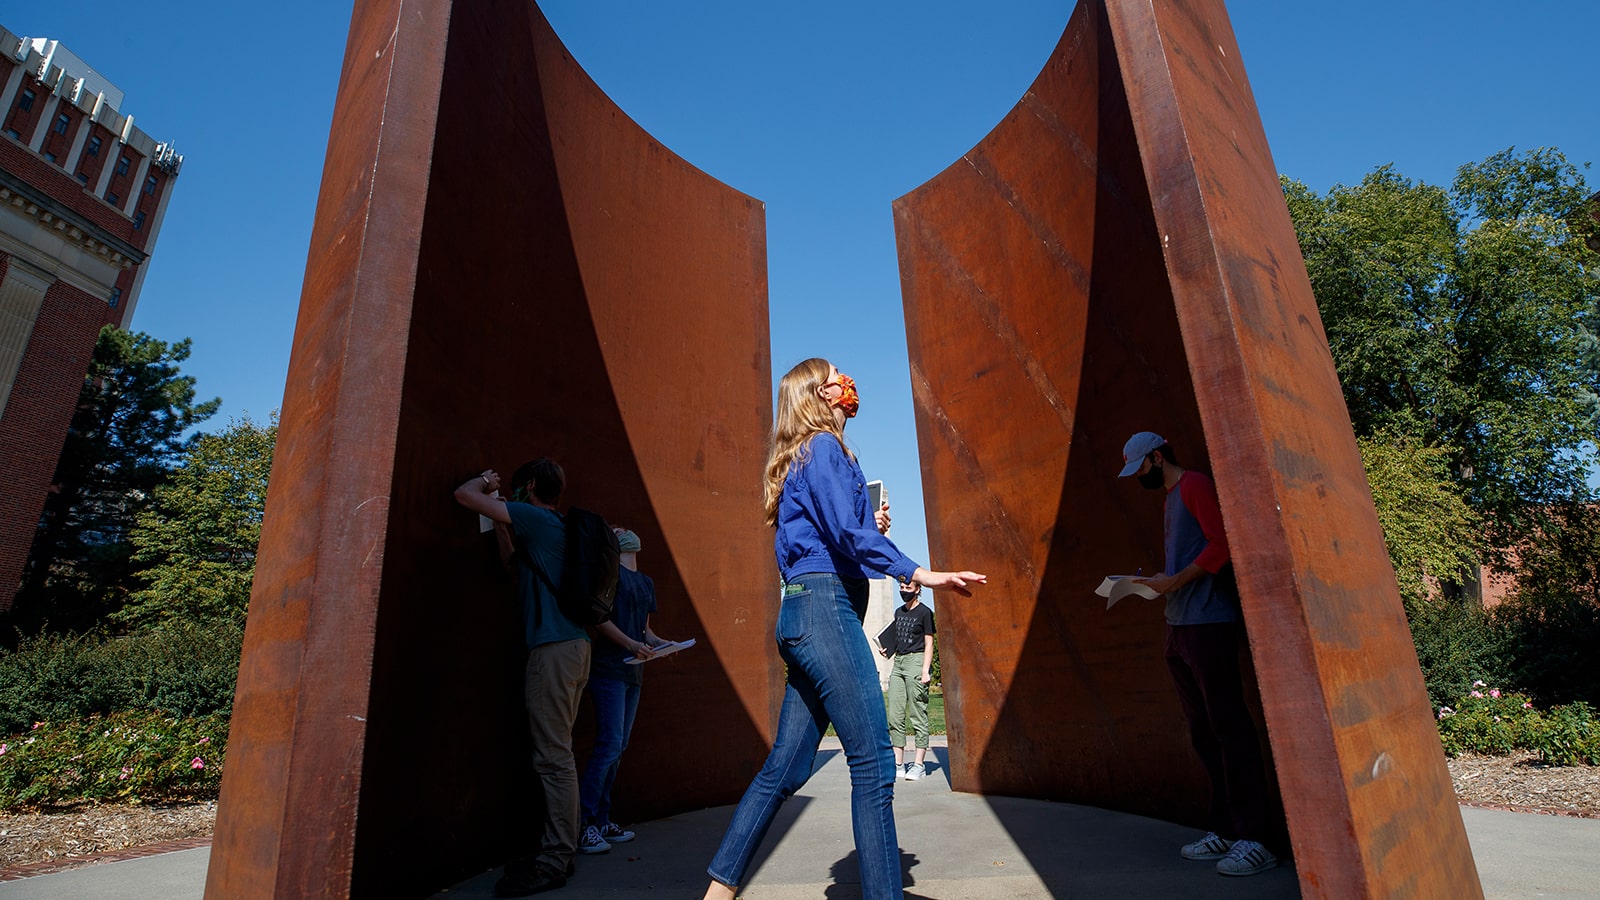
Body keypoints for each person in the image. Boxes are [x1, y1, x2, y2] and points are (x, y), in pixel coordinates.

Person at [702, 358, 986, 900]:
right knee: (876, 764)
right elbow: (846, 541)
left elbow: (838, 534)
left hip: (804, 615)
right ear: (819, 393)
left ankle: (718, 894)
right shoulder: (824, 448)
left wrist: (866, 526)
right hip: (826, 613)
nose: (847, 382)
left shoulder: (802, 455)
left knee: (783, 769)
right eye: (837, 376)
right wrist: (921, 571)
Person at [1119, 431, 1277, 877]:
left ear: (1155, 456)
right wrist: (1162, 580)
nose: (1139, 479)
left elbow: (1222, 544)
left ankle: (1256, 838)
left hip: (1209, 622)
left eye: (1140, 469)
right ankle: (1225, 828)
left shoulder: (1194, 485)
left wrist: (1177, 580)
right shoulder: (1171, 498)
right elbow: (1190, 557)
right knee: (1203, 732)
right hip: (1179, 624)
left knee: (1230, 727)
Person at [454, 459, 589, 897]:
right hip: (572, 646)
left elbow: (462, 495)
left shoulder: (536, 517)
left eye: (516, 487)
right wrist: (500, 522)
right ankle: (559, 850)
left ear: (530, 487)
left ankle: (555, 859)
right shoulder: (554, 528)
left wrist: (485, 484)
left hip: (552, 649)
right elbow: (512, 560)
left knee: (553, 757)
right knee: (557, 753)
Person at [577, 527, 673, 855]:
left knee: (618, 747)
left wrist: (664, 645)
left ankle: (602, 819)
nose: (625, 532)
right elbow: (599, 619)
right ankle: (585, 823)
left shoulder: (645, 582)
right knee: (609, 745)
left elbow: (645, 630)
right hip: (608, 670)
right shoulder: (608, 575)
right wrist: (632, 643)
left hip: (633, 673)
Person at [881, 581, 935, 781]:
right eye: (901, 588)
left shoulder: (925, 612)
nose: (904, 592)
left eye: (908, 588)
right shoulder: (898, 612)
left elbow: (929, 643)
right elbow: (898, 640)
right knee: (895, 715)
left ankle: (919, 764)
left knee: (917, 713)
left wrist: (925, 670)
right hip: (899, 663)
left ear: (918, 589)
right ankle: (899, 763)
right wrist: (886, 650)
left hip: (916, 661)